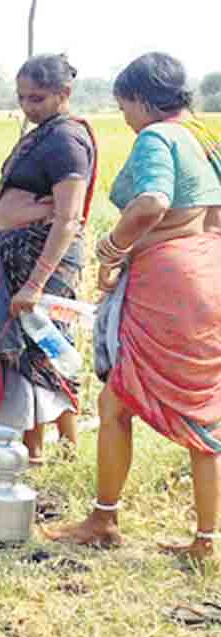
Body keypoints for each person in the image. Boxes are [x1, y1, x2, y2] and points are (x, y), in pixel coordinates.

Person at [44, 52, 221, 561]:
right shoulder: (206, 138)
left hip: (168, 285)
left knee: (117, 399)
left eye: (125, 106)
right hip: (209, 274)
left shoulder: (158, 138)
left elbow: (151, 202)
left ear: (143, 99)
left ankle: (103, 520)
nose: (124, 117)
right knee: (206, 412)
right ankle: (205, 541)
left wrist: (112, 251)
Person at [0, 54, 99, 465]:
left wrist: (35, 283)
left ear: (65, 93)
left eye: (38, 98)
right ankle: (50, 450)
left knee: (37, 353)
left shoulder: (66, 141)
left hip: (39, 267)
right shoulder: (43, 134)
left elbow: (69, 217)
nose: (28, 106)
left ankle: (38, 454)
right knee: (39, 353)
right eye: (22, 98)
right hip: (14, 265)